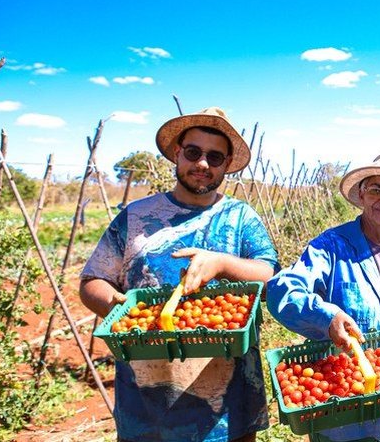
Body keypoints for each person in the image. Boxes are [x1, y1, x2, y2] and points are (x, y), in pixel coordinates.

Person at [80, 107, 278, 442]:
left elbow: (269, 277)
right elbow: (91, 282)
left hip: (228, 408)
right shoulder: (136, 217)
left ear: (227, 165)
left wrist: (221, 263)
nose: (203, 164)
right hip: (147, 405)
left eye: (215, 157)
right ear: (177, 153)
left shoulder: (241, 218)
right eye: (193, 152)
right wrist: (120, 306)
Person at [266, 153, 380, 442]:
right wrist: (327, 317)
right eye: (377, 189)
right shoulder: (330, 247)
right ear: (362, 194)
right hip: (345, 414)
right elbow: (282, 290)